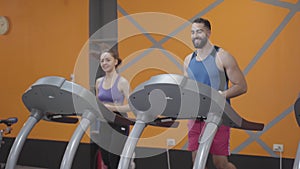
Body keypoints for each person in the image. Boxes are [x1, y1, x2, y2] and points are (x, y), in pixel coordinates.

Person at [183, 18, 247, 169]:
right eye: (192, 32)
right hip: (196, 117)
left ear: (209, 33)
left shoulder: (222, 56)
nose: (195, 36)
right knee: (197, 161)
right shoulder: (188, 60)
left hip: (218, 116)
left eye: (199, 31)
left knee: (220, 164)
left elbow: (242, 86)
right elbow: (187, 89)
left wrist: (220, 95)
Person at [95, 48, 134, 169]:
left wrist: (113, 108)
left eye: (108, 60)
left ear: (115, 62)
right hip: (104, 122)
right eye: (102, 61)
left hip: (119, 121)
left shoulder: (122, 82)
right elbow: (97, 103)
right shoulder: (98, 82)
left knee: (114, 159)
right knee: (106, 159)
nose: (104, 63)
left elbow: (132, 106)